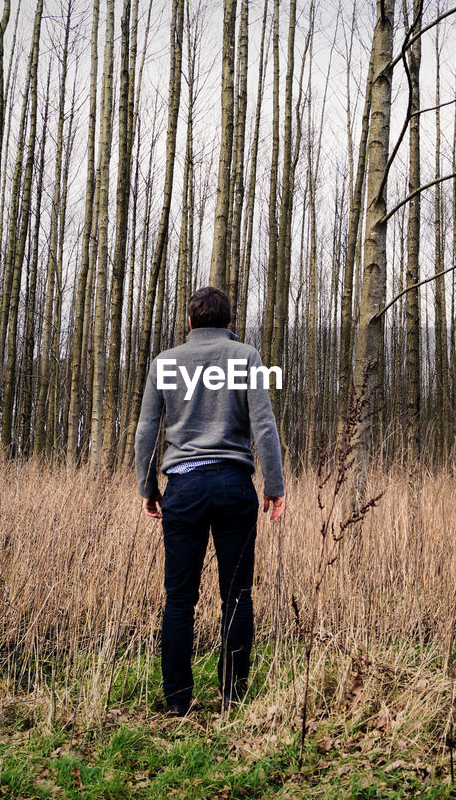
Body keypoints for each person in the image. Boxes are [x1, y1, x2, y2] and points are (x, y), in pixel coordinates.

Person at [133, 286, 285, 716]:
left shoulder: (165, 362)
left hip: (183, 487)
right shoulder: (246, 357)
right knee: (237, 595)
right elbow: (264, 425)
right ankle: (231, 697)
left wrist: (148, 488)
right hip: (235, 486)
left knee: (180, 598)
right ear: (228, 322)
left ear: (190, 322)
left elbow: (147, 431)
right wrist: (274, 485)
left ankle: (178, 701)